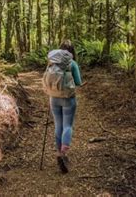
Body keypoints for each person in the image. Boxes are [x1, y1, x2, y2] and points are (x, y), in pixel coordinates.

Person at [49, 40, 82, 173]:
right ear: (72, 51)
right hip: (68, 98)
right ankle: (63, 154)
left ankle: (59, 153)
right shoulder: (72, 63)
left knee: (58, 125)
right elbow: (78, 83)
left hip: (54, 98)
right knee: (67, 125)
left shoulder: (52, 61)